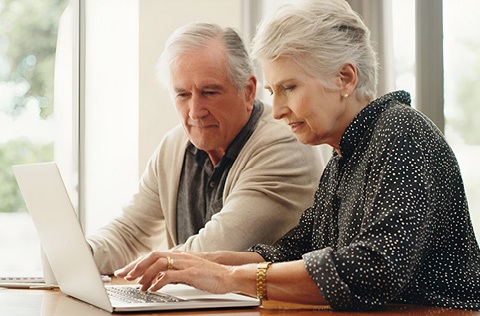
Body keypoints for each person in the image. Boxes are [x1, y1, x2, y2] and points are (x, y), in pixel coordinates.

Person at [114, 0, 480, 311]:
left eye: (290, 87)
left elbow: (372, 269)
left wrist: (227, 277)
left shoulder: (400, 133)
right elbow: (294, 250)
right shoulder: (345, 153)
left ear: (345, 79)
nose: (276, 110)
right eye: (274, 91)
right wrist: (194, 263)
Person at [86, 22, 326, 275]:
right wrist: (80, 255)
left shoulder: (284, 145)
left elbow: (214, 251)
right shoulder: (174, 146)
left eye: (209, 92)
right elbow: (129, 234)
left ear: (247, 91)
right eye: (182, 95)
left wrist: (143, 270)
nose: (195, 112)